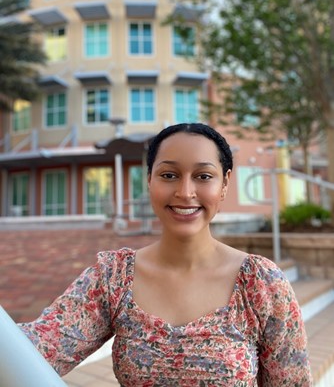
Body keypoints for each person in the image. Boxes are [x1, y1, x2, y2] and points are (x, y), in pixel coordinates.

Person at [19, 122, 312, 386]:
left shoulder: (261, 284)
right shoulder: (113, 278)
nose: (185, 192)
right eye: (169, 175)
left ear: (224, 184)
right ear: (149, 180)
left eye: (203, 176)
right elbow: (37, 348)